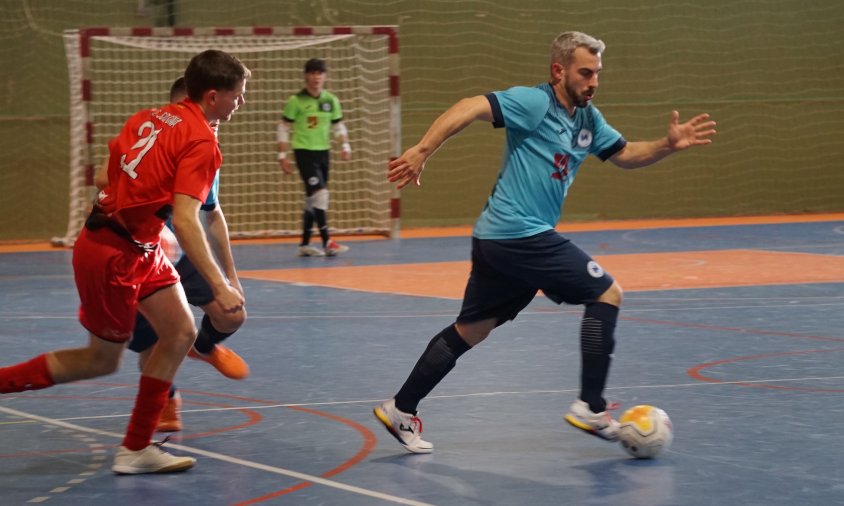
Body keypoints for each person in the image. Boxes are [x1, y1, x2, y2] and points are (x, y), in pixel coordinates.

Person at [373, 31, 716, 454]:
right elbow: (469, 107)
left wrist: (668, 144)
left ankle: (400, 408)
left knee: (471, 330)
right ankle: (591, 406)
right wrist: (423, 149)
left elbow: (625, 154)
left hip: (497, 238)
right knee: (606, 293)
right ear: (559, 71)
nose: (593, 82)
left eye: (597, 74)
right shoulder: (535, 103)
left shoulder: (588, 120)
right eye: (585, 73)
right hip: (520, 233)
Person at [0, 49, 250, 473]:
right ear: (212, 96)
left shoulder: (149, 117)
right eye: (238, 95)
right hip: (113, 253)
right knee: (100, 360)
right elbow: (189, 221)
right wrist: (222, 284)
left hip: (137, 244)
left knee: (180, 331)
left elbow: (106, 175)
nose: (241, 103)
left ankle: (136, 448)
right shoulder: (203, 141)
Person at [94, 77, 250, 433]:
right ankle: (167, 402)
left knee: (232, 314)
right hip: (137, 248)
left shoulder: (205, 143)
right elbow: (104, 177)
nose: (237, 106)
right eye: (235, 97)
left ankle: (204, 346)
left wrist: (230, 275)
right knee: (146, 341)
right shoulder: (155, 131)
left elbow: (210, 211)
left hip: (182, 249)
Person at [277, 58, 351, 257]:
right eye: (312, 73)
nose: (316, 77)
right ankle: (327, 241)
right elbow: (283, 128)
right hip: (304, 151)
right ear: (306, 76)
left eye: (319, 73)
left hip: (323, 152)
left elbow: (338, 125)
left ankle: (304, 244)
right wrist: (282, 155)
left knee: (313, 199)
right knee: (320, 193)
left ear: (325, 76)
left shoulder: (331, 100)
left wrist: (345, 144)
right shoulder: (296, 101)